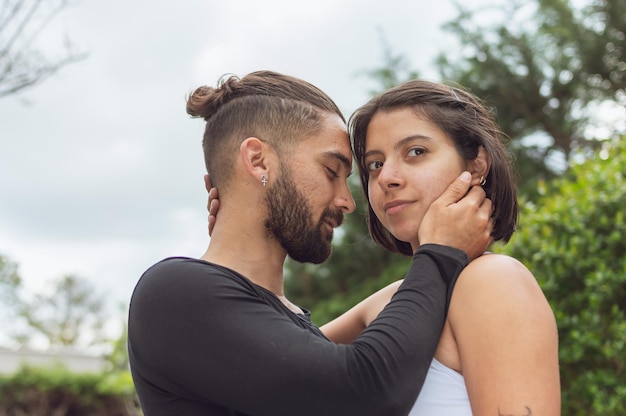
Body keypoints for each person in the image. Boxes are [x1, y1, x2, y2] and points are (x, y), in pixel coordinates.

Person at [127, 70, 493, 416]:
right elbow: (364, 390)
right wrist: (441, 253)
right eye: (332, 172)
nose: (348, 201)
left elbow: (351, 348)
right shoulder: (173, 293)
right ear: (257, 161)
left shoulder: (279, 320)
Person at [317, 79, 561, 415]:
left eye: (415, 152)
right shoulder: (390, 301)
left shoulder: (492, 281)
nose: (387, 176)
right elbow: (276, 367)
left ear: (476, 165)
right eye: (375, 164)